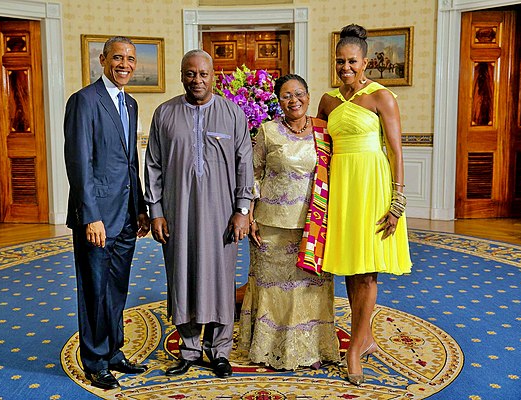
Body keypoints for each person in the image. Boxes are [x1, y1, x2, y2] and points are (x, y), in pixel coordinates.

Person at [144, 49, 253, 379]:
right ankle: (189, 349)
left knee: (221, 279)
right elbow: (153, 165)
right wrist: (156, 212)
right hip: (177, 214)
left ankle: (219, 350)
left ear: (213, 76)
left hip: (222, 215)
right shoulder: (164, 114)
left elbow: (244, 163)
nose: (197, 80)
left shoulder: (232, 114)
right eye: (190, 74)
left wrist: (242, 210)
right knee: (183, 277)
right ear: (181, 75)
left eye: (203, 74)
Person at [317, 24, 412, 386]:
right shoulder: (327, 100)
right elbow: (318, 149)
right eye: (340, 61)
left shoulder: (381, 97)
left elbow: (395, 149)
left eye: (352, 61)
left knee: (369, 270)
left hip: (372, 186)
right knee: (351, 267)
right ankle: (366, 336)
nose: (345, 68)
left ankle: (355, 349)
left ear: (365, 61)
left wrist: (397, 198)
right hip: (341, 189)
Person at [64, 36, 150, 390]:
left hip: (126, 216)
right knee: (95, 291)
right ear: (102, 60)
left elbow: (131, 163)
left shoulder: (129, 104)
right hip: (97, 218)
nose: (125, 64)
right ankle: (96, 360)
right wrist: (91, 216)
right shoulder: (84, 101)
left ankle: (114, 352)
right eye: (118, 57)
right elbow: (79, 163)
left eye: (130, 59)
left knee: (116, 289)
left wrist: (141, 207)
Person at [238, 74, 340, 371]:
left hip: (314, 225)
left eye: (299, 93)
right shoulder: (268, 131)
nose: (293, 100)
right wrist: (248, 213)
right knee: (273, 289)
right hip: (271, 225)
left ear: (309, 96)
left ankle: (311, 348)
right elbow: (253, 175)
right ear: (277, 100)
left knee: (310, 289)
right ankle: (269, 349)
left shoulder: (325, 132)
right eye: (285, 95)